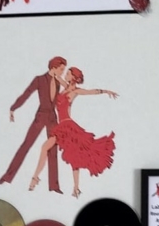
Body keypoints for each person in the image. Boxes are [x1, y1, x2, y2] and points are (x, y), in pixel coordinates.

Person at [29, 67, 117, 198]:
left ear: (74, 78)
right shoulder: (65, 87)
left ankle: (72, 186)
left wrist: (106, 91)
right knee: (57, 151)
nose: (66, 74)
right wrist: (53, 72)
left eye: (68, 73)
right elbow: (56, 76)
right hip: (62, 127)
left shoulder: (75, 91)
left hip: (68, 127)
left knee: (71, 156)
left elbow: (91, 92)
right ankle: (41, 179)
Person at [0, 57, 67, 193]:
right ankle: (7, 176)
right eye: (61, 69)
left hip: (52, 117)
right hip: (41, 115)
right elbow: (26, 94)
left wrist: (60, 79)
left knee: (53, 149)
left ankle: (54, 186)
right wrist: (13, 108)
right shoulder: (39, 80)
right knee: (26, 145)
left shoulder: (59, 81)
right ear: (54, 67)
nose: (63, 72)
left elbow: (68, 89)